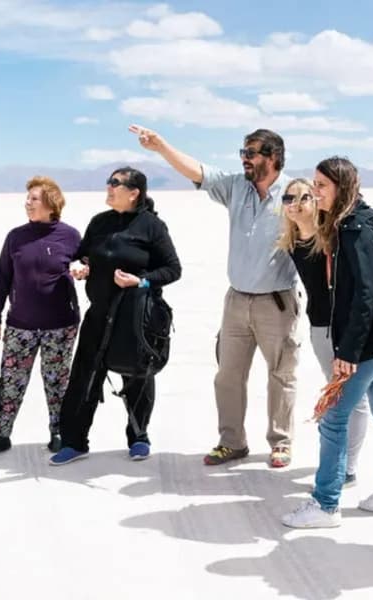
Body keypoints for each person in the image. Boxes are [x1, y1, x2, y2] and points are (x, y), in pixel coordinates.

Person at [130, 124, 301, 468]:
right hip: (236, 300)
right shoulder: (236, 187)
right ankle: (232, 442)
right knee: (228, 375)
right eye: (243, 153)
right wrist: (162, 147)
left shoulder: (296, 193)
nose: (244, 160)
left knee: (281, 375)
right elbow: (198, 171)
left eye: (251, 153)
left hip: (278, 303)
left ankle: (280, 442)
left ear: (274, 157)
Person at [281, 157, 373, 529]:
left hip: (371, 342)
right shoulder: (356, 220)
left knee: (334, 417)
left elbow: (365, 294)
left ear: (342, 187)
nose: (315, 192)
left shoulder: (355, 228)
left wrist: (347, 353)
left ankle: (325, 505)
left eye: (322, 186)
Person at [49, 167, 181, 465]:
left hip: (135, 317)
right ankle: (74, 441)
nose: (108, 188)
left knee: (136, 375)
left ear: (134, 192)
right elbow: (84, 254)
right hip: (99, 314)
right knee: (84, 376)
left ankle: (138, 437)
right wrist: (81, 266)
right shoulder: (100, 222)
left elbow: (173, 269)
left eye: (115, 184)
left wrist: (140, 280)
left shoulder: (151, 226)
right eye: (109, 182)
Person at [0, 176, 82, 459]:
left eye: (34, 199)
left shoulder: (70, 235)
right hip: (20, 324)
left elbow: (87, 263)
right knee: (11, 381)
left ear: (51, 203)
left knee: (57, 382)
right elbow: (2, 277)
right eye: (27, 199)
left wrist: (85, 268)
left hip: (61, 325)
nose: (27, 203)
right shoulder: (16, 236)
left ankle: (58, 433)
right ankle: (2, 435)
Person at [276, 178, 369, 486]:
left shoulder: (331, 236)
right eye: (290, 197)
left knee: (351, 398)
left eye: (305, 196)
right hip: (320, 326)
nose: (297, 202)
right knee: (338, 391)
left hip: (344, 324)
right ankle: (342, 462)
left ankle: (349, 467)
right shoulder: (291, 240)